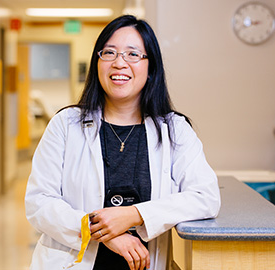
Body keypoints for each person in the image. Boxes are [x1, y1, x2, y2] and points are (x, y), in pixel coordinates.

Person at [25, 14, 220, 270]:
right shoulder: (65, 124)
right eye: (109, 53)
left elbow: (205, 196)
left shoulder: (174, 130)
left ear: (150, 68)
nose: (119, 63)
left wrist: (133, 214)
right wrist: (105, 233)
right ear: (98, 62)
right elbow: (40, 202)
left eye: (133, 54)